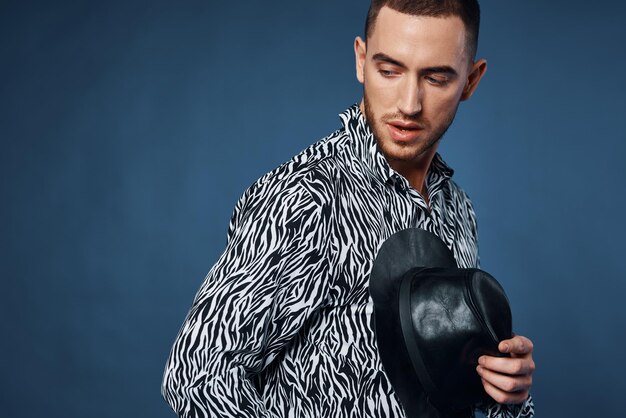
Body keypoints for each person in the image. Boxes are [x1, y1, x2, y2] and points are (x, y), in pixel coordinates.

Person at [162, 1, 536, 417]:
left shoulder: (457, 207)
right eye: (389, 70)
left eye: (435, 77)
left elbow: (436, 384)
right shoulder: (305, 197)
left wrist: (503, 387)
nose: (409, 103)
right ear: (361, 60)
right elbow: (196, 377)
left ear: (471, 79)